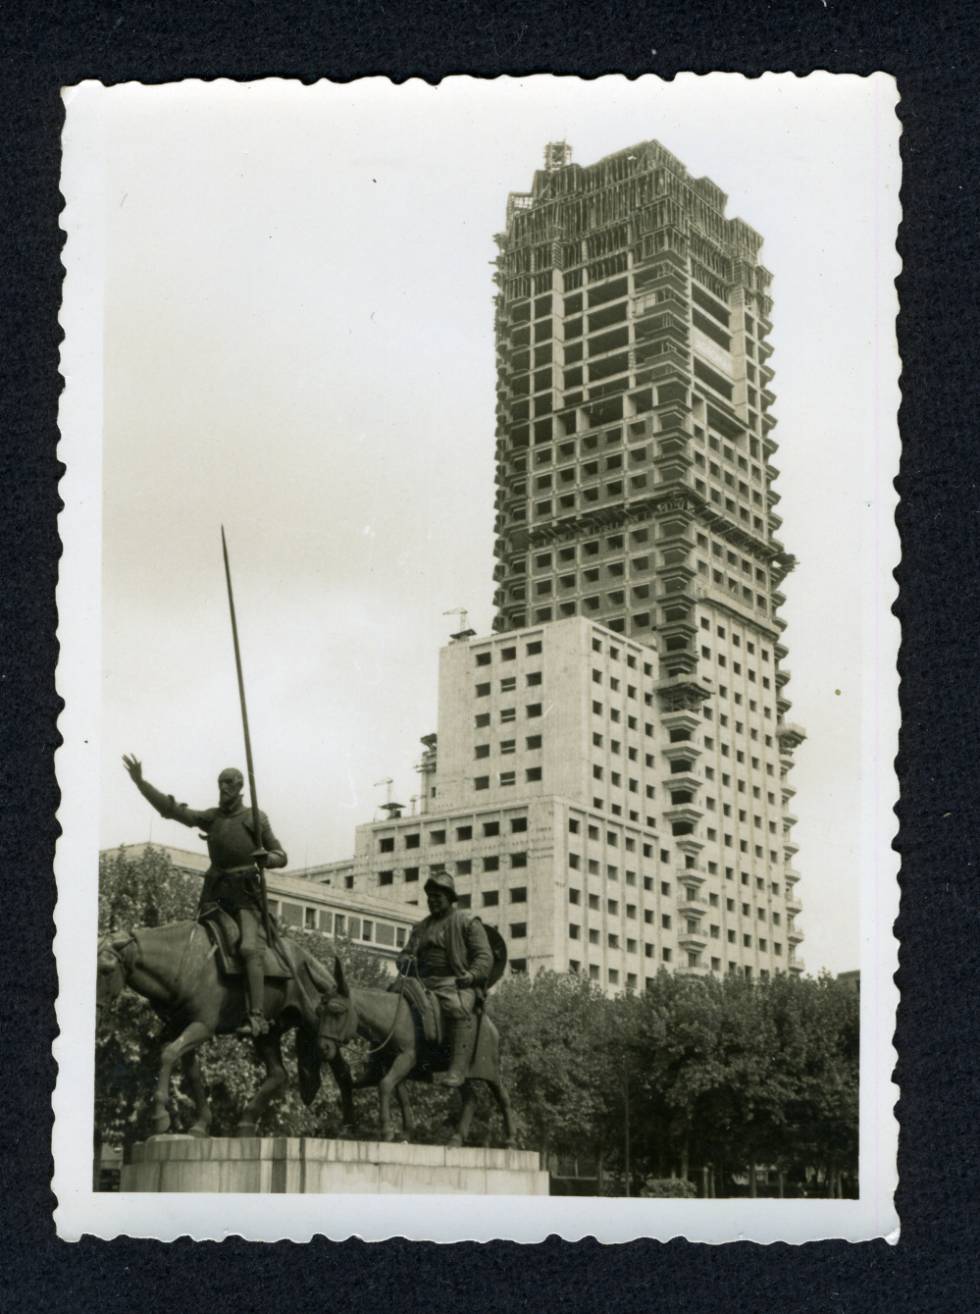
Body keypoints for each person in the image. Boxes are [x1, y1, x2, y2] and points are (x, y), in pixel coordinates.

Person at [122, 754, 287, 1038]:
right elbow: (174, 810)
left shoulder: (255, 818)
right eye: (221, 782)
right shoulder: (213, 818)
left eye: (229, 783)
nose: (224, 788)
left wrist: (267, 859)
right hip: (215, 896)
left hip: (245, 897)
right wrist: (141, 783)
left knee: (249, 949)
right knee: (190, 946)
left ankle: (257, 1016)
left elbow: (281, 855)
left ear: (240, 786)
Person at [397, 869, 493, 1087]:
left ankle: (457, 1069)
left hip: (454, 982)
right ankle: (384, 1064)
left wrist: (472, 975)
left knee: (457, 1009)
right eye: (429, 897)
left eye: (437, 896)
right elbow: (404, 954)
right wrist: (405, 961)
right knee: (391, 1004)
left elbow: (484, 956)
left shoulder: (467, 922)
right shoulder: (420, 928)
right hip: (421, 982)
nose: (432, 901)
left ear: (450, 898)